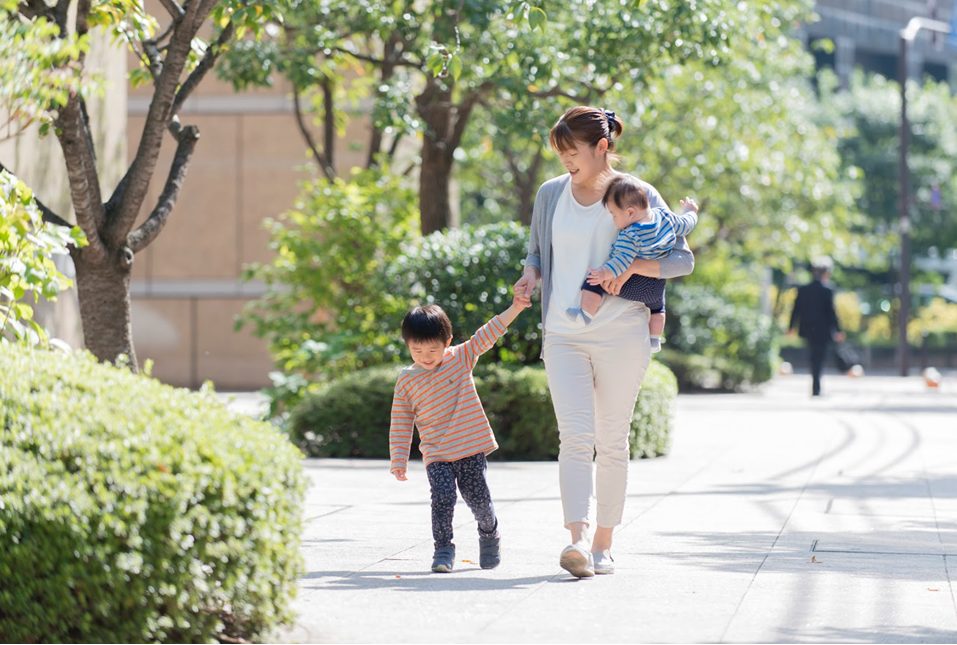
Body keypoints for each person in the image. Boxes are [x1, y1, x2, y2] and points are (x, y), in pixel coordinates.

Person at [512, 106, 695, 577]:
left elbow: (681, 261)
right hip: (563, 332)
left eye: (573, 153)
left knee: (611, 441)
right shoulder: (551, 194)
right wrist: (531, 274)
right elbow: (536, 251)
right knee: (574, 437)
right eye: (560, 153)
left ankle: (603, 544)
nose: (566, 162)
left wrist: (632, 268)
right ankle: (575, 541)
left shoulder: (638, 193)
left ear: (602, 147)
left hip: (622, 333)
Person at [389, 297, 529, 573]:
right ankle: (443, 549)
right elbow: (401, 421)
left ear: (447, 341)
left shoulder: (461, 357)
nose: (425, 357)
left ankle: (489, 534)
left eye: (432, 349)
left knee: (479, 501)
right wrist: (399, 459)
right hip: (436, 453)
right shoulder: (406, 380)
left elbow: (490, 331)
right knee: (441, 499)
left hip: (469, 448)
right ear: (407, 345)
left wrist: (517, 307)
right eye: (417, 350)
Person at [568, 174, 699, 354]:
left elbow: (621, 263)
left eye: (614, 214)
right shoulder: (666, 217)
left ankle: (585, 315)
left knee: (592, 282)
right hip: (656, 286)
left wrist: (603, 273)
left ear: (630, 212)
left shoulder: (630, 235)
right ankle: (654, 340)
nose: (613, 219)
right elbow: (686, 224)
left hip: (633, 284)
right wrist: (690, 211)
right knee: (658, 308)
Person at [787, 257, 845, 397]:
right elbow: (832, 312)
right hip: (823, 331)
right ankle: (816, 387)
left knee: (814, 356)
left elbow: (795, 310)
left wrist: (791, 327)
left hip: (808, 329)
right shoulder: (827, 290)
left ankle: (815, 386)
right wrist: (838, 330)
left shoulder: (803, 289)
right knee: (819, 357)